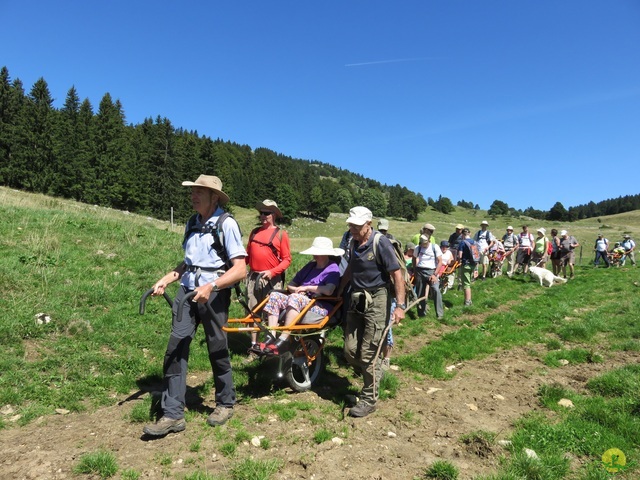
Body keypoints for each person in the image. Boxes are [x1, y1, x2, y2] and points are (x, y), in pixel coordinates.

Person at [143, 175, 247, 436]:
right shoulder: (191, 223)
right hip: (187, 292)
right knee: (175, 348)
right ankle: (173, 414)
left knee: (217, 347)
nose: (194, 196)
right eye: (193, 191)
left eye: (200, 192)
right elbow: (187, 263)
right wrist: (166, 279)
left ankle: (225, 402)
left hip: (214, 294)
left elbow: (241, 269)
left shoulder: (227, 224)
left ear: (214, 197)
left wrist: (211, 287)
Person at [339, 206, 405, 418]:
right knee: (350, 351)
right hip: (357, 298)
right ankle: (374, 373)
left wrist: (400, 306)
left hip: (378, 298)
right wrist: (339, 291)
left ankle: (369, 399)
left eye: (357, 226)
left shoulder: (380, 242)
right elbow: (350, 268)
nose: (353, 229)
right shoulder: (352, 242)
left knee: (369, 350)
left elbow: (397, 274)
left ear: (369, 224)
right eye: (351, 225)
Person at [252, 237, 342, 355]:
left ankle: (283, 338)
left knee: (295, 298)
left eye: (318, 252)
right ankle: (271, 336)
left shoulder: (332, 268)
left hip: (319, 305)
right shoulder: (310, 266)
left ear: (326, 254)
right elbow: (291, 285)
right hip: (301, 301)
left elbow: (329, 290)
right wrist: (298, 290)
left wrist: (306, 288)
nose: (315, 255)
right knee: (275, 295)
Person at [246, 200, 292, 350]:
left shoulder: (280, 234)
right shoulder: (254, 232)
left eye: (267, 213)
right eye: (262, 213)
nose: (263, 216)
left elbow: (287, 260)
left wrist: (272, 272)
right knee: (253, 311)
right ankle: (253, 347)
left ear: (274, 215)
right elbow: (247, 255)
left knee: (270, 313)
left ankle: (269, 346)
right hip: (253, 278)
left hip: (271, 281)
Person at [412, 225, 444, 319]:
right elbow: (414, 258)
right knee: (420, 293)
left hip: (431, 271)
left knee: (436, 290)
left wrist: (435, 274)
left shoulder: (435, 247)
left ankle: (440, 314)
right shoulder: (418, 248)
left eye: (424, 243)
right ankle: (421, 314)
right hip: (420, 271)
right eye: (421, 243)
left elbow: (440, 261)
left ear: (429, 240)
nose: (423, 245)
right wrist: (415, 269)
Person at [457, 228, 476, 306]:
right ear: (470, 234)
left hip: (466, 265)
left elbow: (460, 255)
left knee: (466, 284)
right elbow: (476, 254)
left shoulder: (462, 243)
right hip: (473, 265)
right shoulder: (474, 242)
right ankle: (468, 300)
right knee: (468, 282)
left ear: (462, 235)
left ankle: (467, 301)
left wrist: (458, 262)